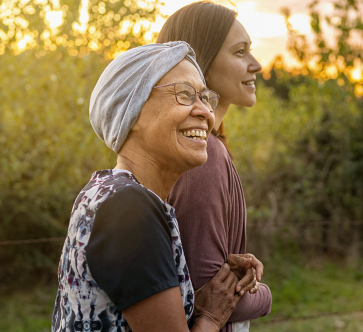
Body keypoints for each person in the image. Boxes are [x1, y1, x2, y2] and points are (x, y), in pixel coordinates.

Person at [51, 41, 260, 332]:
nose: (205, 112)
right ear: (133, 110)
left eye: (205, 97)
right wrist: (211, 317)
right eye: (185, 95)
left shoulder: (103, 190)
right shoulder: (131, 210)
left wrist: (203, 298)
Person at [157, 2, 271, 331]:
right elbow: (204, 295)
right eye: (240, 52)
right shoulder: (203, 155)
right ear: (199, 61)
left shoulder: (206, 147)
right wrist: (264, 295)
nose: (257, 65)